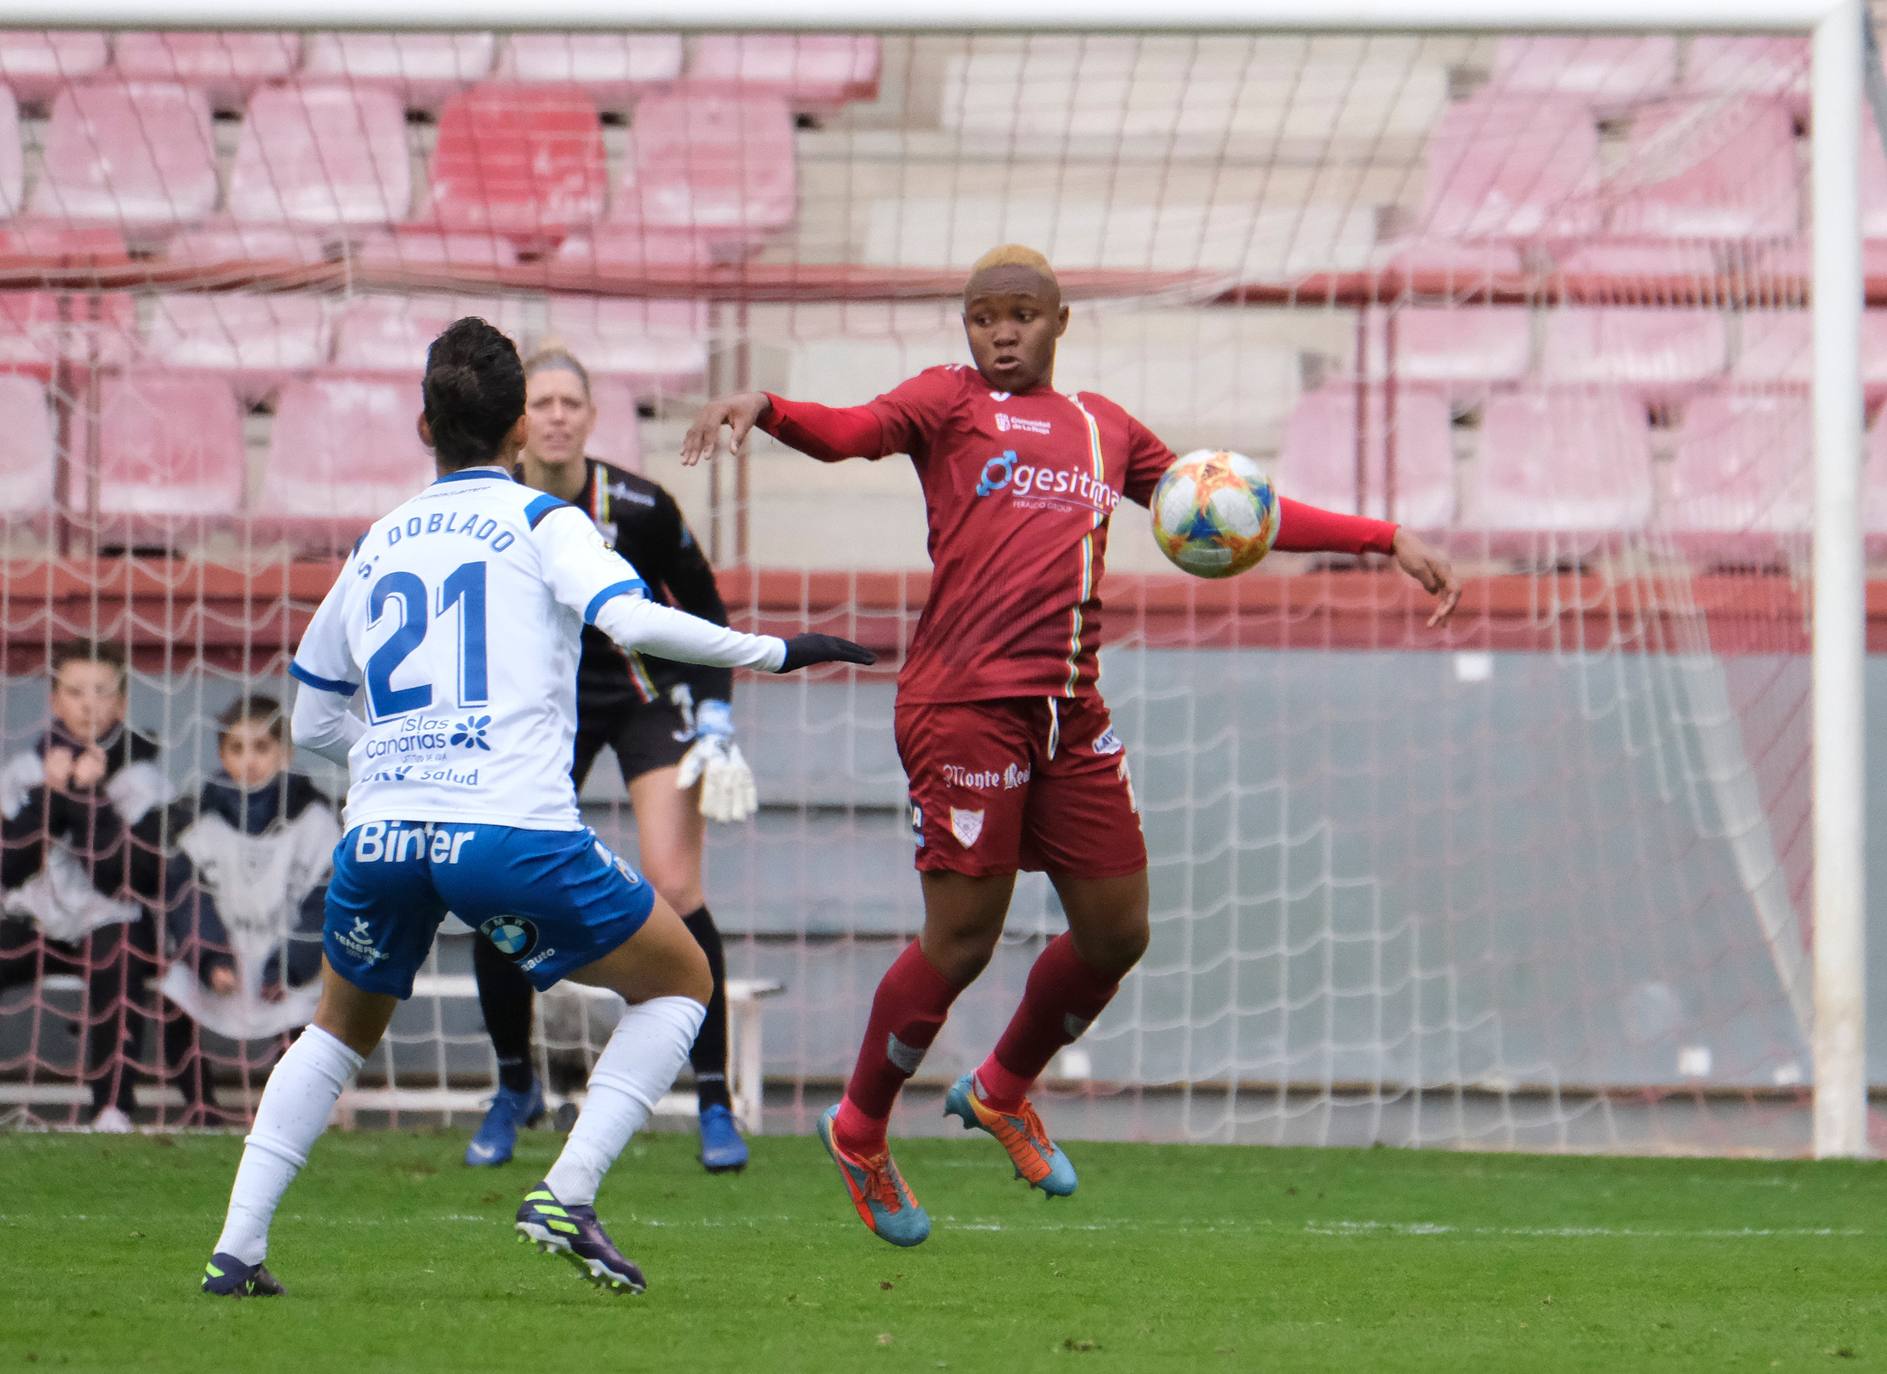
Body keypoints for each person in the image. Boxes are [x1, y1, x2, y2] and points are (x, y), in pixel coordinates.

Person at [681, 244, 1463, 1248]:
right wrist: (773, 409)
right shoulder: (946, 403)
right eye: (982, 317)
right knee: (962, 938)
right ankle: (860, 1125)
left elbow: (1238, 510)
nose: (1000, 332)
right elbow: (851, 432)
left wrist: (1381, 537)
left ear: (1060, 322)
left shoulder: (1105, 429)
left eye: (1021, 315)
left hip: (1069, 711)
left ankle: (1002, 1089)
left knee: (1117, 932)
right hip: (964, 706)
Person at [200, 317, 872, 1298]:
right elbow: (630, 617)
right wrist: (777, 652)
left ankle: (237, 1251)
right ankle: (568, 1193)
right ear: (520, 428)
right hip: (504, 830)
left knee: (338, 1030)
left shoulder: (377, 539)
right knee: (682, 981)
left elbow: (309, 718)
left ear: (424, 425)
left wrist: (393, 755)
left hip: (380, 831)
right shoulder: (543, 520)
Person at [463, 345, 754, 1174]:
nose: (555, 415)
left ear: (592, 417)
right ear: (519, 419)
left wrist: (718, 716)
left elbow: (703, 612)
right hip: (535, 712)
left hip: (639, 700)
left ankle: (713, 1097)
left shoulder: (640, 504)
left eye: (570, 402)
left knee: (678, 885)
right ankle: (512, 1086)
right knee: (495, 881)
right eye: (541, 401)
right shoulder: (489, 507)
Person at [0, 638, 230, 1129]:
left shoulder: (143, 780)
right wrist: (51, 795)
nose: (88, 703)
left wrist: (92, 798)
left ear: (122, 702)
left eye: (102, 692)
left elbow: (131, 877)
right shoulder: (21, 773)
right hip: (34, 923)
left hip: (107, 923)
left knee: (122, 955)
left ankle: (113, 1107)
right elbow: (9, 868)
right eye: (76, 691)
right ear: (54, 700)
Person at [161, 696, 336, 1052]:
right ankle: (199, 1106)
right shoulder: (201, 823)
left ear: (285, 753)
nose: (249, 760)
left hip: (290, 961)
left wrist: (289, 968)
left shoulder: (316, 821)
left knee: (308, 1027)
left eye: (261, 747)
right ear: (223, 756)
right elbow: (188, 903)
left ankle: (295, 1106)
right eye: (237, 748)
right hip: (226, 955)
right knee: (172, 992)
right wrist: (211, 960)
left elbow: (325, 907)